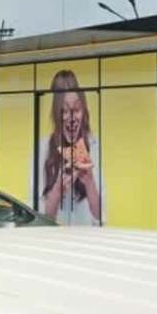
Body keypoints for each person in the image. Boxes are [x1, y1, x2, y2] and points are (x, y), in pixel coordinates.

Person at [41, 70, 102, 225]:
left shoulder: (93, 146)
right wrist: (57, 190)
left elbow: (100, 216)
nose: (72, 118)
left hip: (85, 236)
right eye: (65, 111)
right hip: (54, 236)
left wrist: (89, 182)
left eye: (76, 110)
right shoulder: (43, 148)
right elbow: (40, 218)